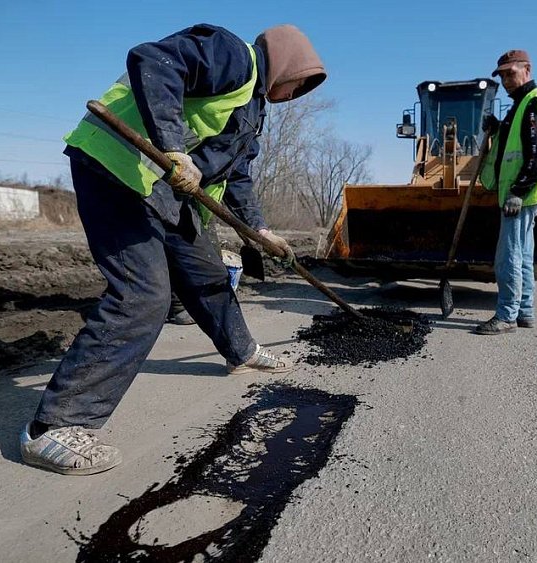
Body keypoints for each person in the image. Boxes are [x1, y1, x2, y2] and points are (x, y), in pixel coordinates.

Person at [20, 23, 326, 475]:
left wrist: (259, 229)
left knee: (208, 276)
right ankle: (55, 426)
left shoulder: (253, 109)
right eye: (301, 82)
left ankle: (242, 352)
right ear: (288, 63)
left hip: (167, 191)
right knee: (142, 294)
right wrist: (173, 148)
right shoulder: (233, 56)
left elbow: (236, 174)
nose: (298, 93)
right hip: (118, 167)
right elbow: (152, 60)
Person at [475, 49, 537, 335]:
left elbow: (535, 153)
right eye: (501, 76)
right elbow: (519, 141)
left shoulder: (532, 102)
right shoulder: (523, 103)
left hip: (520, 197)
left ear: (526, 69)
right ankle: (525, 311)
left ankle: (506, 316)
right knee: (523, 255)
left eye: (510, 74)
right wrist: (498, 127)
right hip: (525, 195)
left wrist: (518, 190)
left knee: (508, 257)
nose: (505, 81)